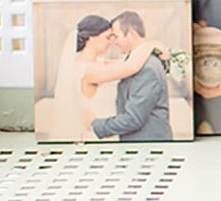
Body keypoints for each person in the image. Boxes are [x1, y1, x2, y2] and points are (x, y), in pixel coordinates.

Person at [47, 14, 160, 142]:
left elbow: (124, 62)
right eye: (107, 37)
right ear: (92, 38)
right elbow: (132, 66)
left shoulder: (97, 64)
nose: (111, 43)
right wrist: (151, 45)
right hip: (96, 134)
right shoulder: (89, 70)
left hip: (106, 131)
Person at [90, 11, 173, 141]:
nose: (114, 43)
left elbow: (134, 119)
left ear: (131, 34)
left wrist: (95, 125)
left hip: (148, 143)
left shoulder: (147, 68)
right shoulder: (135, 61)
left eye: (116, 37)